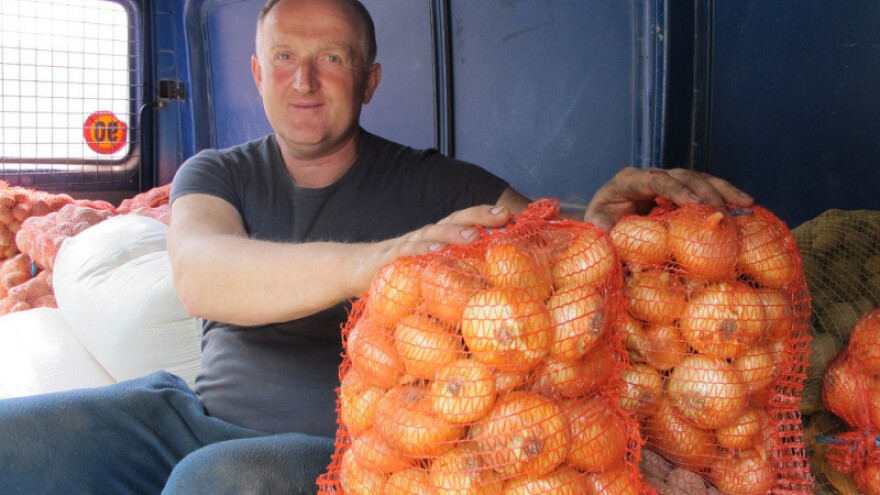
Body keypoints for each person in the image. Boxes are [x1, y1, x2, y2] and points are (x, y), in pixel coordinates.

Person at [0, 0, 753, 493]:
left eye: (331, 58)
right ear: (258, 75)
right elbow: (202, 275)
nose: (304, 80)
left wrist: (606, 216)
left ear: (369, 80)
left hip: (344, 449)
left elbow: (558, 247)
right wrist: (373, 260)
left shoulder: (438, 184)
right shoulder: (216, 171)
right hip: (190, 413)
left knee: (217, 481)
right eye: (285, 58)